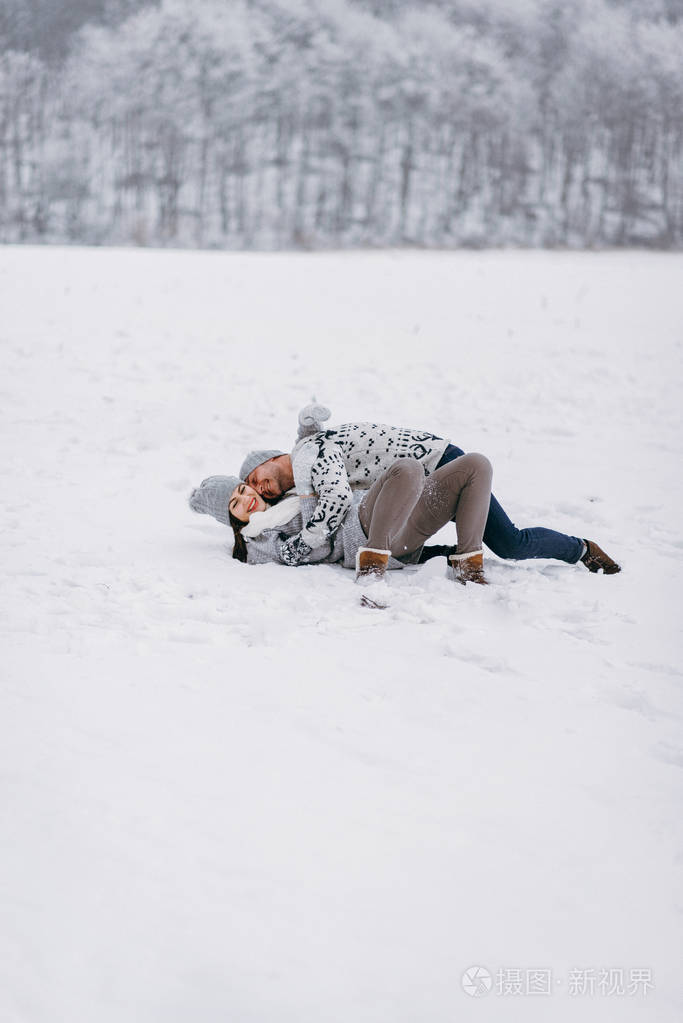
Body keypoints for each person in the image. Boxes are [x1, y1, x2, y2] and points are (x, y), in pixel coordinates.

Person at [237, 405, 621, 575]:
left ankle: (579, 549)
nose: (260, 487)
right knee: (505, 544)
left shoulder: (309, 452)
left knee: (510, 543)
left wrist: (304, 543)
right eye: (256, 490)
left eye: (256, 477)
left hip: (437, 469)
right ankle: (581, 550)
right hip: (424, 477)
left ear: (271, 457)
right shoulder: (312, 450)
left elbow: (337, 500)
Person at [188, 452, 496, 584]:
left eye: (242, 489)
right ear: (231, 518)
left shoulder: (287, 499)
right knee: (408, 469)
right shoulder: (257, 540)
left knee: (475, 465)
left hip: (403, 524)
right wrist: (312, 502)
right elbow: (309, 550)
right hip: (363, 531)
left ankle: (469, 566)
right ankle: (372, 569)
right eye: (235, 503)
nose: (246, 498)